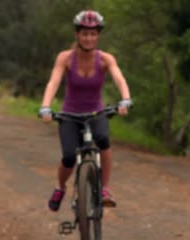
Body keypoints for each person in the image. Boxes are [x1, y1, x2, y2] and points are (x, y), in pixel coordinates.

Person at [39, 10, 132, 211]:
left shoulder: (106, 59)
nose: (89, 38)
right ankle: (60, 187)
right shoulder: (65, 58)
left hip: (95, 112)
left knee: (103, 140)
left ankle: (105, 188)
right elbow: (53, 82)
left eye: (93, 34)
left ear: (98, 35)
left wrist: (125, 100)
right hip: (69, 115)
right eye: (84, 33)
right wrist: (45, 106)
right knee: (69, 157)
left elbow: (119, 78)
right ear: (77, 35)